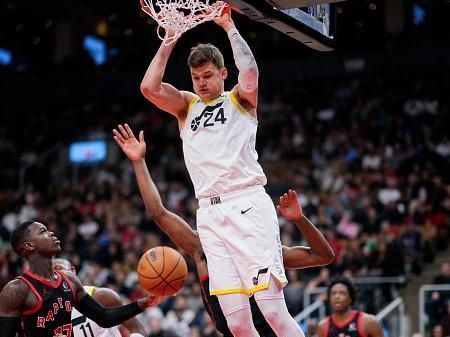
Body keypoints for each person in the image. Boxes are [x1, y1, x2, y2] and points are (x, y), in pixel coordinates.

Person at [140, 2, 304, 336]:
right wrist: (169, 39)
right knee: (238, 324)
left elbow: (251, 73)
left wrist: (228, 26)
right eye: (196, 78)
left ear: (223, 74)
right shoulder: (186, 106)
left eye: (208, 76)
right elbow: (149, 88)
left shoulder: (240, 100)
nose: (201, 83)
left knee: (272, 311)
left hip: (246, 203)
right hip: (210, 216)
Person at [113, 124, 335, 337]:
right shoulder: (204, 249)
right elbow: (158, 212)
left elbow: (324, 256)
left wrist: (299, 219)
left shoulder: (260, 249)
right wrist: (139, 162)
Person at [0, 221, 163, 337]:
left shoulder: (69, 280)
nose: (51, 233)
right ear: (29, 246)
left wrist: (143, 303)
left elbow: (104, 317)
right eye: (43, 231)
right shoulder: (17, 289)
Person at [52, 258, 147, 337]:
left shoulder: (101, 295)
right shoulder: (48, 314)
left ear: (73, 271)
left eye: (59, 268)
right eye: (52, 273)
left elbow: (136, 328)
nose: (57, 274)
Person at [316, 277, 384, 337]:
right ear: (329, 298)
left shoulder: (369, 322)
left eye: (342, 293)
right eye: (333, 293)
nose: (337, 297)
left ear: (350, 299)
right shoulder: (323, 326)